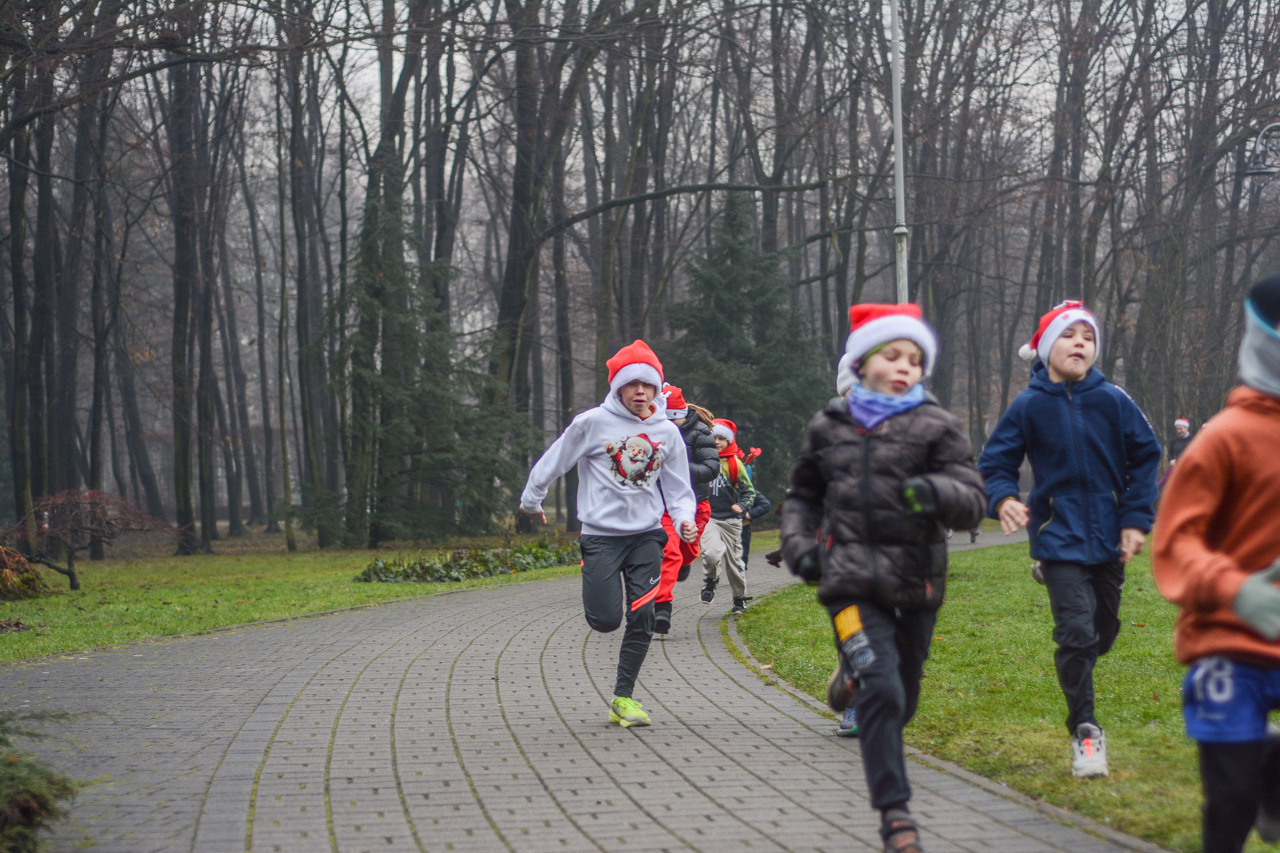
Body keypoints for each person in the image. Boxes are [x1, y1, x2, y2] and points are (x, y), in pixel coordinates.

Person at [782, 303, 986, 853]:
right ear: (862, 361)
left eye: (915, 360)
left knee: (904, 698)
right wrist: (800, 546)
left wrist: (938, 494)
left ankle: (848, 679)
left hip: (917, 585)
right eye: (892, 355)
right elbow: (802, 497)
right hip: (847, 585)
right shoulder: (828, 427)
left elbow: (973, 500)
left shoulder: (938, 427)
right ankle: (896, 817)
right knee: (883, 691)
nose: (904, 367)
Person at [978, 300, 1161, 778]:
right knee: (1076, 633)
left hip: (1109, 535)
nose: (1080, 343)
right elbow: (995, 462)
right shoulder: (1028, 405)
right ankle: (1086, 731)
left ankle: (1081, 653)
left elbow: (1148, 455)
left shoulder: (1113, 400)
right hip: (1056, 535)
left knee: (1102, 631)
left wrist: (1136, 519)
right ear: (1044, 348)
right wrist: (1002, 499)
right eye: (1069, 334)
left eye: (1088, 336)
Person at [1153, 274, 1280, 853]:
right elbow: (1176, 544)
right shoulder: (1222, 440)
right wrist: (1237, 590)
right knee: (1229, 802)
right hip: (1230, 645)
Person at [519, 340, 698, 728]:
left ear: (656, 389)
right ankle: (602, 607)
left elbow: (680, 488)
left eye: (647, 385)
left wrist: (685, 520)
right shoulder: (592, 423)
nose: (640, 392)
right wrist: (533, 500)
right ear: (617, 386)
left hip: (647, 536)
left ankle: (624, 696)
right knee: (604, 621)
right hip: (601, 536)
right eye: (632, 384)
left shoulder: (666, 432)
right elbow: (555, 460)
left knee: (643, 615)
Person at [653, 384, 719, 636]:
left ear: (683, 413)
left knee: (687, 551)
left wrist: (678, 466)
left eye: (674, 418)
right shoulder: (653, 431)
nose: (670, 424)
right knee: (670, 552)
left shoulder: (700, 432)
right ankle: (662, 607)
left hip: (696, 504)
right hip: (665, 506)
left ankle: (687, 561)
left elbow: (711, 469)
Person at [700, 418, 757, 613]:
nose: (717, 442)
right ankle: (710, 579)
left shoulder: (734, 463)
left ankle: (739, 599)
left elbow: (750, 491)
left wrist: (742, 506)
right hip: (710, 518)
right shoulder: (703, 460)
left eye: (721, 438)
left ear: (729, 440)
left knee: (734, 566)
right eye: (713, 437)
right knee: (710, 553)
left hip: (732, 521)